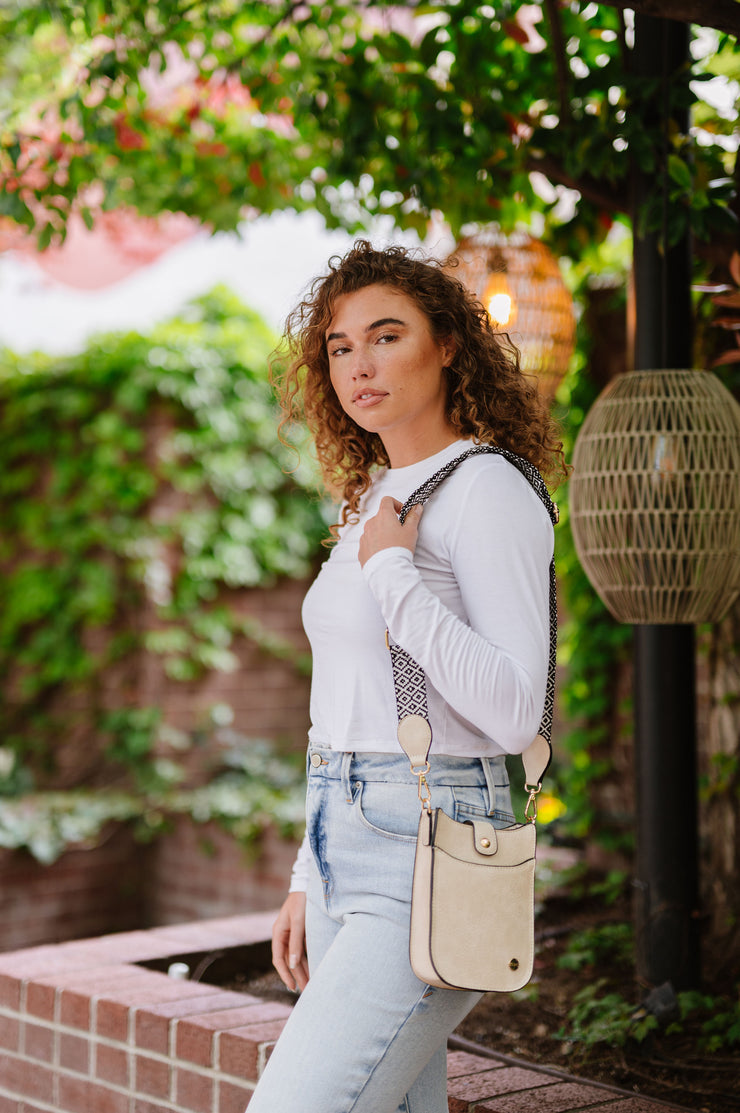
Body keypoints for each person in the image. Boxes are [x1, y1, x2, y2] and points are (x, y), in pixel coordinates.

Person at [247, 240, 566, 1113]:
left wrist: (394, 576)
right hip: (345, 834)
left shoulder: (487, 488)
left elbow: (514, 711)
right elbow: (340, 702)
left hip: (434, 836)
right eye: (341, 347)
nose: (360, 364)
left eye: (386, 336)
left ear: (450, 345)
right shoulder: (375, 497)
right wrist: (306, 877)